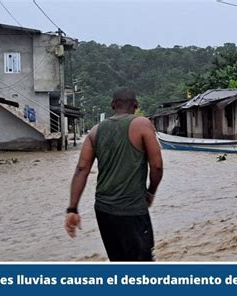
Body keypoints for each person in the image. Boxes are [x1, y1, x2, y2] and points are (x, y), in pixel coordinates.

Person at [64, 89, 163, 261]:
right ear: (136, 105)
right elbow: (157, 165)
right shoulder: (142, 124)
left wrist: (72, 208)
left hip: (104, 210)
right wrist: (151, 192)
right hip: (132, 209)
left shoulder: (95, 131)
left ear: (112, 105)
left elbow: (81, 169)